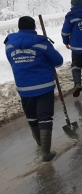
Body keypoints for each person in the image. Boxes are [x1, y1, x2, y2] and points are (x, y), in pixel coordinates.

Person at [5, 16, 64, 161]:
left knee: (31, 114)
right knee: (44, 116)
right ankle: (46, 152)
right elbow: (58, 61)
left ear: (19, 27)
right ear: (34, 27)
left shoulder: (9, 44)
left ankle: (39, 142)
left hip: (24, 87)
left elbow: (11, 60)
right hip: (44, 86)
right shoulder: (42, 43)